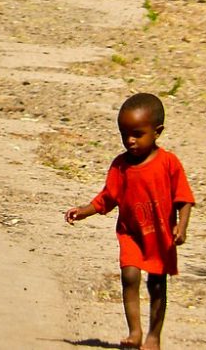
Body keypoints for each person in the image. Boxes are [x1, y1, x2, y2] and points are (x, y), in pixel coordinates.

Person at [64, 93, 195, 350]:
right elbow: (107, 197)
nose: (130, 141)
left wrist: (182, 226)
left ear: (157, 132)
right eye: (124, 134)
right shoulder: (120, 166)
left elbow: (184, 198)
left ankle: (154, 336)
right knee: (129, 275)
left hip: (160, 236)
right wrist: (83, 211)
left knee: (157, 284)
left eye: (137, 134)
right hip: (131, 234)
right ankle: (134, 332)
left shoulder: (169, 163)